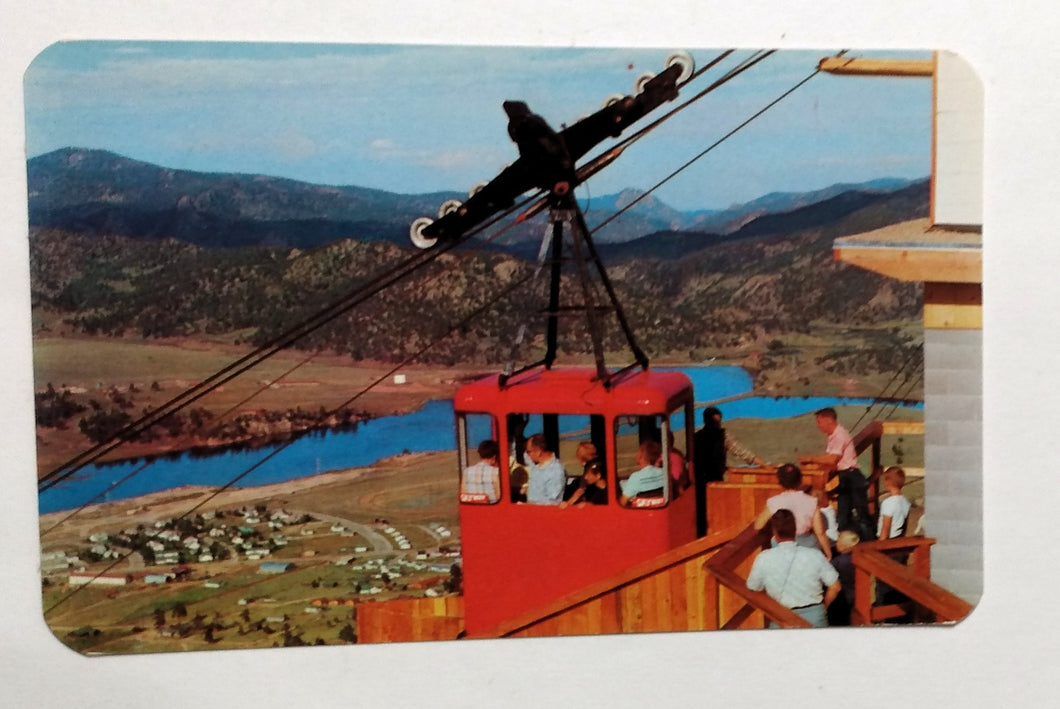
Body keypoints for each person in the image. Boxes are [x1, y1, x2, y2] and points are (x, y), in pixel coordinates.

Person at [746, 509, 841, 628]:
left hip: (781, 615)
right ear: (795, 530)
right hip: (814, 615)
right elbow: (836, 586)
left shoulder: (763, 558)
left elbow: (753, 587)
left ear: (774, 533)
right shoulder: (814, 555)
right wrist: (823, 607)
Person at [802, 407, 874, 541]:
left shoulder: (839, 435)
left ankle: (870, 543)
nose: (818, 426)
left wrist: (810, 459)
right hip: (846, 476)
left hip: (851, 476)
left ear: (828, 420)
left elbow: (832, 458)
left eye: (819, 422)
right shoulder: (834, 436)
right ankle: (847, 542)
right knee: (844, 515)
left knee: (861, 515)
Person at [692, 407, 765, 536]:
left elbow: (743, 452)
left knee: (715, 514)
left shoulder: (718, 436)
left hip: (713, 481)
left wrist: (764, 465)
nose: (716, 425)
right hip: (701, 483)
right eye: (714, 422)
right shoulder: (699, 438)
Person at [753, 463, 832, 560]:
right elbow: (820, 532)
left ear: (780, 482)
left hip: (782, 545)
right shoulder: (811, 501)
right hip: (806, 544)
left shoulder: (774, 502)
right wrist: (828, 553)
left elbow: (758, 525)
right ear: (800, 480)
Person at [827, 529, 860, 627]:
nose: (836, 543)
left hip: (841, 597)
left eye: (838, 541)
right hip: (855, 594)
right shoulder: (857, 558)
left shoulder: (837, 562)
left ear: (844, 546)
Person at [619, 440, 667, 506]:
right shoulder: (664, 473)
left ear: (640, 456)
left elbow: (622, 503)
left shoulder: (636, 478)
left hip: (639, 512)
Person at [524, 433, 566, 505]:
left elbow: (553, 502)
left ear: (538, 452)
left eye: (528, 452)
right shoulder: (536, 468)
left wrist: (529, 505)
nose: (527, 455)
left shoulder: (556, 471)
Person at [877, 466, 912, 539]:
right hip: (898, 538)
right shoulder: (906, 502)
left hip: (888, 540)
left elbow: (885, 529)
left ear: (888, 481)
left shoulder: (888, 503)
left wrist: (879, 546)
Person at [461, 439, 500, 503]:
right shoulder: (496, 472)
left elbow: (464, 494)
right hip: (493, 509)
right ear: (494, 457)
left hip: (473, 509)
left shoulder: (466, 472)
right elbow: (500, 495)